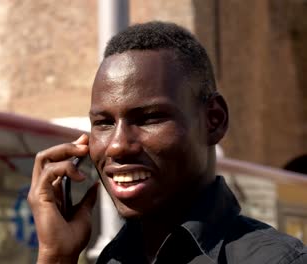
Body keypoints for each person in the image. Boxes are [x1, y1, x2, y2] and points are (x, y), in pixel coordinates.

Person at [27, 21, 307, 264]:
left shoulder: (276, 259)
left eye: (149, 118)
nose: (117, 146)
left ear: (214, 120)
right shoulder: (115, 258)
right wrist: (56, 255)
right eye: (104, 123)